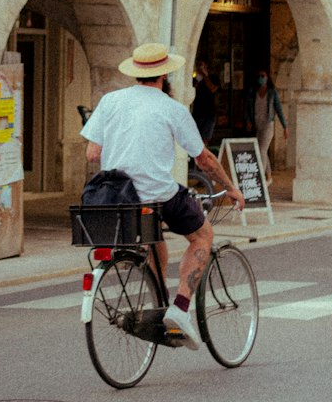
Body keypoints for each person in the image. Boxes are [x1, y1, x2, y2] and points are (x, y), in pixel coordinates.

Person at [81, 42, 244, 349]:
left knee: (154, 237)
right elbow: (203, 159)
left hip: (116, 195)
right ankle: (180, 310)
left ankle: (160, 302)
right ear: (164, 75)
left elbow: (93, 153)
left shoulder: (110, 101)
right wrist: (231, 187)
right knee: (202, 235)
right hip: (156, 194)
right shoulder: (172, 108)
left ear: (135, 73)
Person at [245, 67, 286, 184]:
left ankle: (260, 177)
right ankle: (269, 176)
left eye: (263, 76)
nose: (260, 78)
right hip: (258, 124)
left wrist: (285, 127)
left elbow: (279, 110)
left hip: (268, 124)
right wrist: (248, 120)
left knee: (261, 149)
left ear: (267, 78)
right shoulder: (253, 92)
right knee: (262, 149)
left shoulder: (272, 93)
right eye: (259, 76)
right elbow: (247, 108)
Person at [190, 60, 219, 145]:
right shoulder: (195, 79)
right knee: (196, 138)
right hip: (197, 112)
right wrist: (198, 79)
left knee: (205, 138)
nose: (199, 67)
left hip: (209, 113)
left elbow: (213, 88)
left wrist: (205, 76)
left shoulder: (213, 77)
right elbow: (191, 90)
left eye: (201, 65)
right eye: (198, 65)